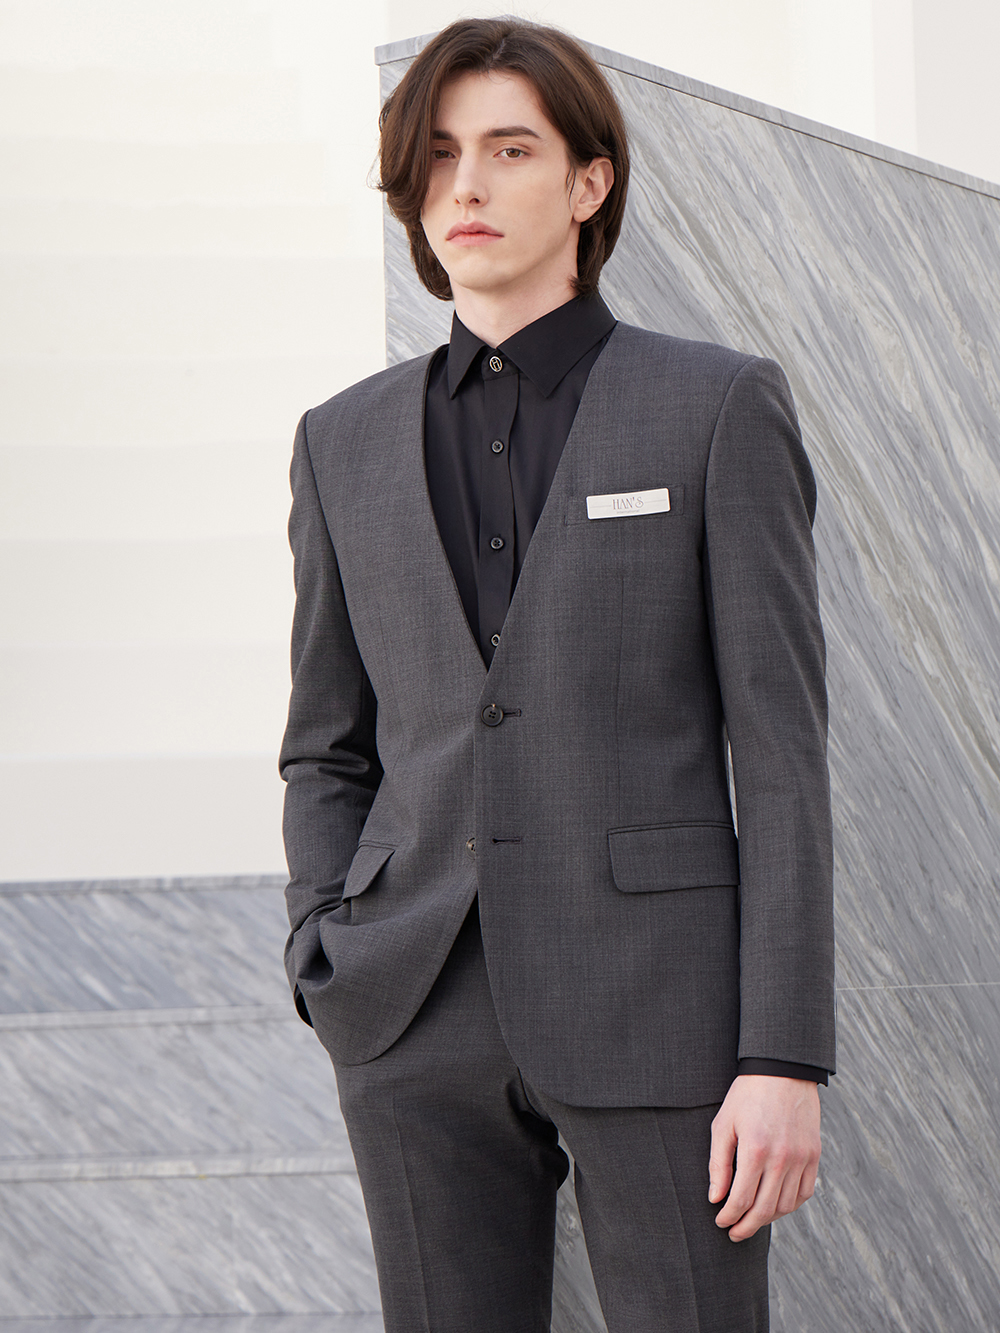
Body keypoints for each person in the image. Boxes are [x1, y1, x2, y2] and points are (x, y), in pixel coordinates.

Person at [280, 16, 835, 1333]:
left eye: (509, 149)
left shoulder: (714, 406)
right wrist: (321, 943)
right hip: (409, 1003)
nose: (464, 185)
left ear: (590, 182)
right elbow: (327, 742)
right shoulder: (341, 440)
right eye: (438, 154)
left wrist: (783, 1053)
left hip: (663, 1003)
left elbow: (782, 751)